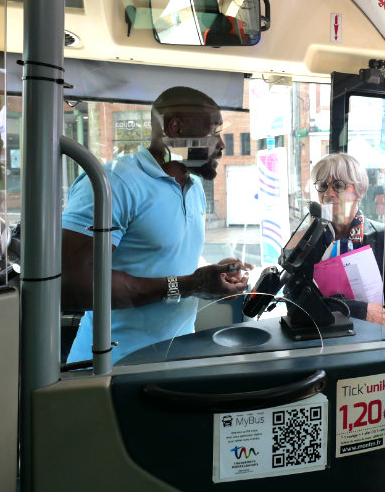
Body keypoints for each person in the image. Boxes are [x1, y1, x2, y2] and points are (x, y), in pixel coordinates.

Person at [61, 87, 251, 364]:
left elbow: (163, 258)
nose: (221, 145)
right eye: (213, 132)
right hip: (113, 364)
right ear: (175, 129)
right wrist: (191, 285)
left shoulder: (194, 187)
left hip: (177, 357)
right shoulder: (115, 183)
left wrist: (211, 280)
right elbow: (72, 285)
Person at [310, 152, 385, 328]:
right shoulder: (308, 242)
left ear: (359, 191)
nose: (329, 193)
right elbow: (297, 304)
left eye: (338, 185)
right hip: (324, 340)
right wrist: (360, 311)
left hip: (375, 341)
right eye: (322, 186)